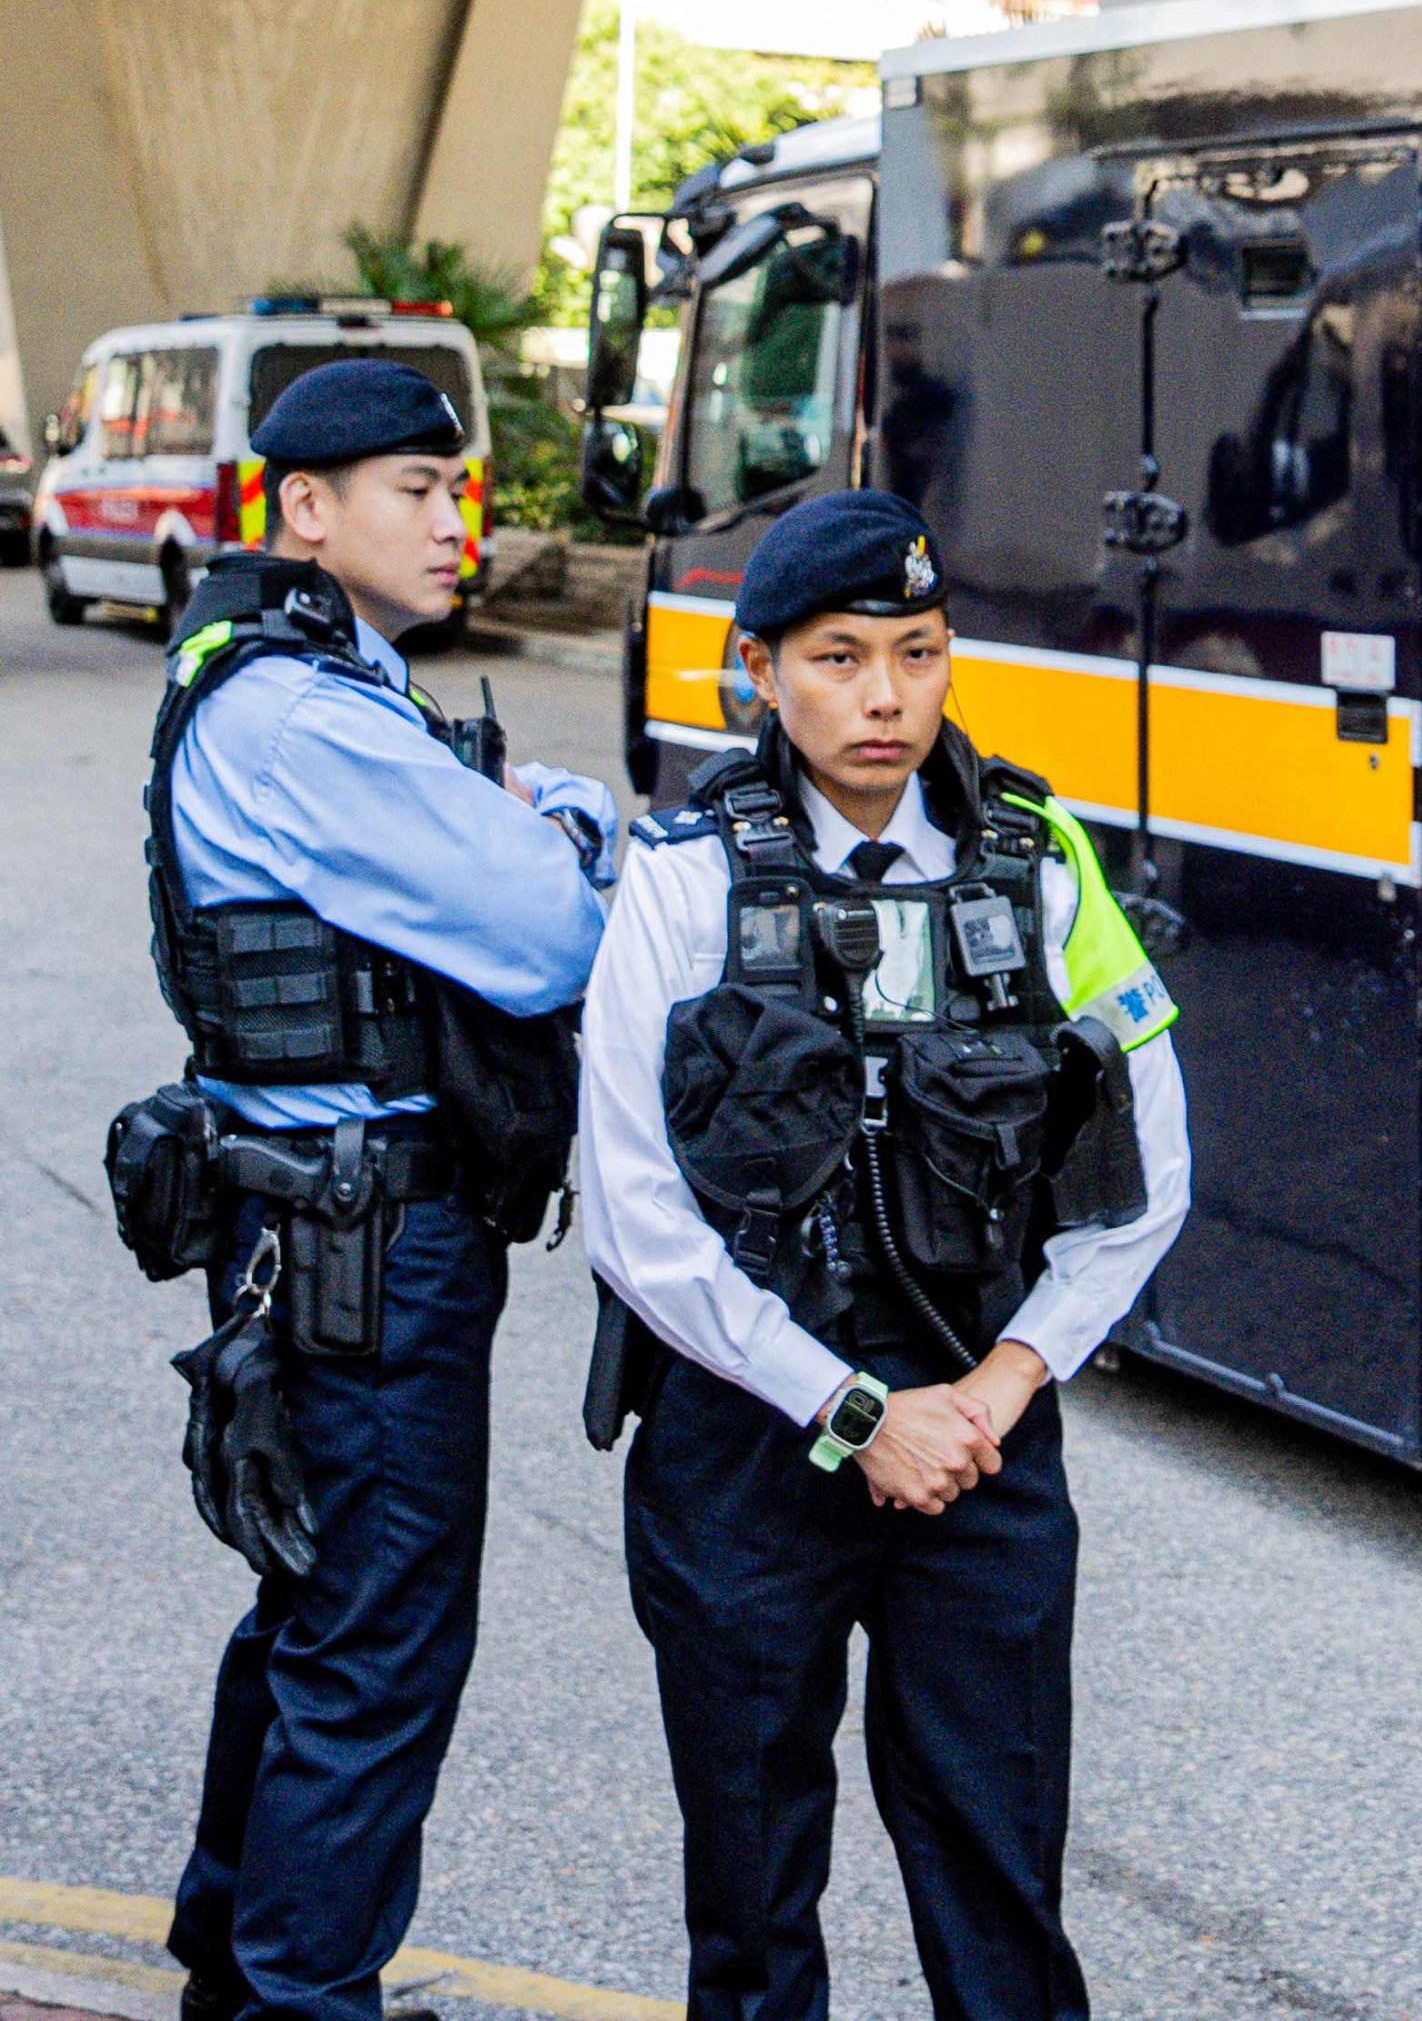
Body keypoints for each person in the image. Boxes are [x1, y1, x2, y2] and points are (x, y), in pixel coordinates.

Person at [575, 488, 1190, 2021]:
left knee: (1001, 1893)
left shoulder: (1040, 863)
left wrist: (995, 1386)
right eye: (840, 658)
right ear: (760, 669)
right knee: (755, 1902)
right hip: (748, 1447)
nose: (884, 698)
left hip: (979, 1449)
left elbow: (1147, 1181)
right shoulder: (682, 874)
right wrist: (854, 1412)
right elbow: (636, 1214)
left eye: (917, 654)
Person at [137, 357, 612, 2021]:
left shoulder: (308, 676)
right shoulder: (305, 712)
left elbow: (493, 844)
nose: (449, 512)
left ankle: (239, 1970)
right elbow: (554, 924)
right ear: (308, 509)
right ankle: (298, 1995)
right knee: (377, 1646)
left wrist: (511, 819)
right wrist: (555, 830)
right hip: (367, 1244)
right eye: (412, 487)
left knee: (313, 1616)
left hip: (315, 1225)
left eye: (454, 481)